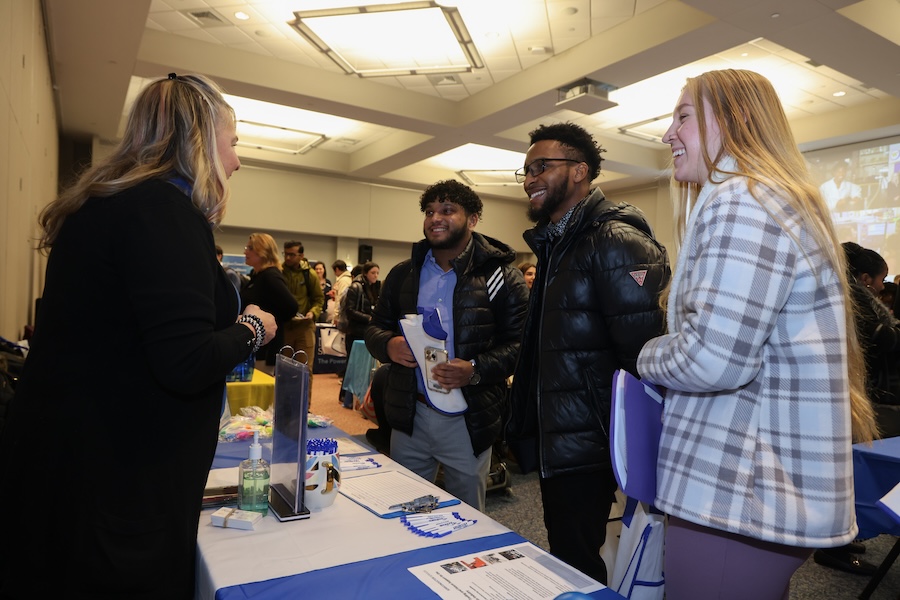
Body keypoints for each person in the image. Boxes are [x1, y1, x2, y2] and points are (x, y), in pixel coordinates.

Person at [0, 73, 277, 599]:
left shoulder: (106, 205)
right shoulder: (162, 213)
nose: (237, 160)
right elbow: (187, 360)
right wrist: (251, 328)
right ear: (199, 137)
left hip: (70, 469)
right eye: (234, 142)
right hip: (117, 487)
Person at [635, 69, 879, 600]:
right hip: (758, 491)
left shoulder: (741, 199)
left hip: (735, 490)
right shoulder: (775, 198)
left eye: (682, 116)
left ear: (735, 119)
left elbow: (714, 360)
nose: (667, 134)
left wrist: (646, 356)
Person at [506, 123, 670, 584]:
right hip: (566, 429)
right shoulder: (561, 243)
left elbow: (645, 354)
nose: (530, 178)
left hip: (593, 436)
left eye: (542, 167)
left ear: (580, 171)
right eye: (526, 170)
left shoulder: (614, 240)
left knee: (576, 558)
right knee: (568, 551)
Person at [366, 179, 529, 511]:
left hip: (467, 419)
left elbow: (521, 345)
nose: (435, 218)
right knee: (404, 508)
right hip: (411, 413)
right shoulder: (403, 274)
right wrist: (388, 346)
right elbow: (375, 329)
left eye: (447, 210)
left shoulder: (502, 278)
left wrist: (475, 369)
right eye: (429, 211)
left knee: (467, 516)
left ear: (472, 219)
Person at [242, 233, 299, 366]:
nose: (245, 251)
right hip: (255, 347)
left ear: (262, 252)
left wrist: (272, 320)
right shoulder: (258, 276)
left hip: (266, 350)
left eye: (250, 248)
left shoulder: (270, 277)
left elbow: (291, 307)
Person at [281, 240, 324, 373]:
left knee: (304, 369)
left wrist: (312, 313)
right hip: (284, 326)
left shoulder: (309, 274)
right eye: (285, 254)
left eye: (292, 255)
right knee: (283, 369)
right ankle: (284, 395)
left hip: (305, 327)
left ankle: (304, 395)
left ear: (301, 255)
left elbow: (318, 299)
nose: (288, 258)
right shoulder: (279, 272)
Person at [343, 261, 381, 354]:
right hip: (355, 331)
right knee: (354, 359)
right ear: (365, 273)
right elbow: (349, 310)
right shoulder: (356, 287)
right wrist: (368, 318)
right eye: (373, 273)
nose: (375, 275)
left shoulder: (375, 288)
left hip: (367, 330)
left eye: (377, 273)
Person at [331, 259, 352, 327]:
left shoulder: (343, 281)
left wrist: (336, 316)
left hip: (342, 317)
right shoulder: (348, 279)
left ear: (336, 269)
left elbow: (341, 299)